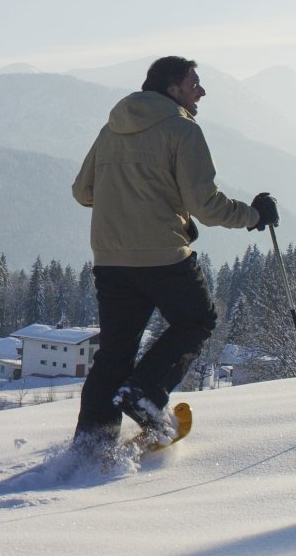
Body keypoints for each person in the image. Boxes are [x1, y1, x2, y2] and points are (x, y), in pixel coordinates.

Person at [70, 56, 278, 451]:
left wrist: (130, 200)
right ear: (172, 88)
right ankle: (145, 392)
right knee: (197, 319)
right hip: (163, 255)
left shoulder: (111, 128)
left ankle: (91, 447)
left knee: (114, 352)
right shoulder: (182, 129)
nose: (201, 91)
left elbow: (83, 192)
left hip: (110, 257)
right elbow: (207, 205)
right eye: (193, 83)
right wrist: (253, 217)